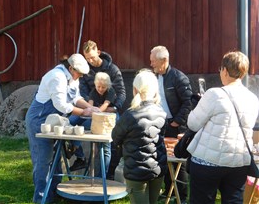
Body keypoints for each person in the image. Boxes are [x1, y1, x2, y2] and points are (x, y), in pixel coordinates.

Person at [187, 51, 259, 204]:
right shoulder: (253, 99)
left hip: (208, 162)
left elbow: (193, 123)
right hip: (238, 162)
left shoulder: (214, 94)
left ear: (225, 70)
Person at [25, 53, 97, 203]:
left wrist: (91, 107)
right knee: (43, 160)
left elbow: (76, 98)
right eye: (80, 74)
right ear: (71, 68)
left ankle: (55, 193)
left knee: (57, 159)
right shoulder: (56, 77)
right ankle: (41, 198)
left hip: (56, 121)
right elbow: (61, 105)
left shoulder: (72, 78)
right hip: (40, 119)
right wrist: (84, 112)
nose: (81, 77)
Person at [68, 40, 126, 177]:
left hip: (109, 109)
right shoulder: (85, 70)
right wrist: (91, 107)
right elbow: (82, 92)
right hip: (91, 107)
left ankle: (107, 174)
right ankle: (79, 156)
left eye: (93, 57)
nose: (91, 61)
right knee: (69, 122)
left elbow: (122, 92)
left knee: (112, 140)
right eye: (87, 58)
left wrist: (115, 108)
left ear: (98, 52)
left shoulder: (113, 69)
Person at [111, 69, 168, 204]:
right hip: (157, 167)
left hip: (135, 170)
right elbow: (160, 138)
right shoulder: (162, 112)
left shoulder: (129, 115)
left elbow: (115, 137)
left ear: (135, 89)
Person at [150, 45, 193, 203]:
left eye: (153, 61)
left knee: (178, 161)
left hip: (176, 126)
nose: (151, 64)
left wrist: (176, 122)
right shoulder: (156, 77)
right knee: (165, 159)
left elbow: (188, 102)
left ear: (164, 60)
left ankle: (181, 196)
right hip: (162, 124)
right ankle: (168, 191)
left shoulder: (178, 78)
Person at [68, 72, 117, 171]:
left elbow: (104, 106)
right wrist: (90, 110)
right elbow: (89, 105)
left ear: (107, 86)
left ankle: (104, 174)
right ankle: (75, 148)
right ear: (95, 85)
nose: (100, 89)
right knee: (71, 121)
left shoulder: (111, 91)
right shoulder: (94, 91)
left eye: (103, 87)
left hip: (108, 117)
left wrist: (95, 110)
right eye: (98, 86)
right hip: (95, 115)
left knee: (106, 147)